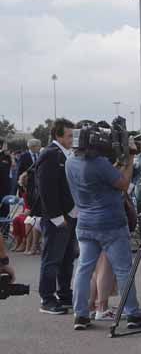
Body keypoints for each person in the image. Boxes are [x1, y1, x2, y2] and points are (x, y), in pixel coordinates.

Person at [66, 134, 141, 331]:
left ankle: (81, 315)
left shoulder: (70, 162)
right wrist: (130, 157)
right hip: (111, 224)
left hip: (85, 223)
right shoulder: (99, 163)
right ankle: (133, 313)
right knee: (123, 269)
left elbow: (107, 178)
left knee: (84, 269)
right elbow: (123, 183)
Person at [36, 118, 78, 315]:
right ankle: (47, 298)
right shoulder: (50, 155)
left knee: (67, 257)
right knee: (52, 258)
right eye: (69, 135)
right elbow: (46, 189)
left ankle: (64, 293)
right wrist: (56, 216)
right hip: (57, 218)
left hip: (70, 215)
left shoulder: (66, 154)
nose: (72, 139)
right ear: (58, 135)